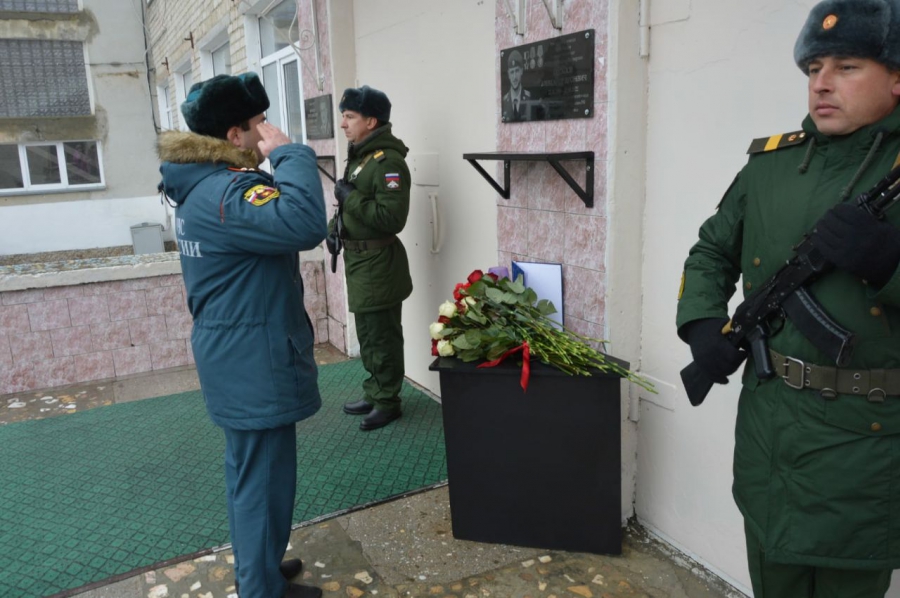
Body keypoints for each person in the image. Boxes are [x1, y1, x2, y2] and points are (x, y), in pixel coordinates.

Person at [676, 1, 900, 595]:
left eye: (847, 66)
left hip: (864, 444)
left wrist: (889, 264)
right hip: (769, 431)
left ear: (898, 76)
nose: (822, 84)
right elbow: (710, 251)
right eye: (813, 68)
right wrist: (703, 326)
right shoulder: (770, 167)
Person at [157, 72, 327, 598]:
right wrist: (292, 153)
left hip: (241, 350)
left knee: (257, 476)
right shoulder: (227, 192)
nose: (265, 133)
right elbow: (303, 223)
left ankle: (261, 571)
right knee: (263, 481)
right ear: (233, 136)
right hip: (253, 357)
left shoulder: (206, 187)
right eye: (257, 125)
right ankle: (260, 590)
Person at [331, 85, 412, 431]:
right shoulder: (362, 156)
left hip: (379, 264)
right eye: (344, 117)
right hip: (361, 263)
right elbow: (355, 208)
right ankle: (376, 390)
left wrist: (349, 199)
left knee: (382, 337)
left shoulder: (388, 163)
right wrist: (335, 228)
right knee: (367, 334)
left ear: (371, 120)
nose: (343, 124)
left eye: (349, 117)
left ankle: (388, 401)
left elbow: (391, 219)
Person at [501, 49, 531, 122]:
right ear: (508, 74)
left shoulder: (529, 97)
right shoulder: (504, 101)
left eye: (517, 71)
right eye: (512, 72)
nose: (514, 77)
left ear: (521, 71)